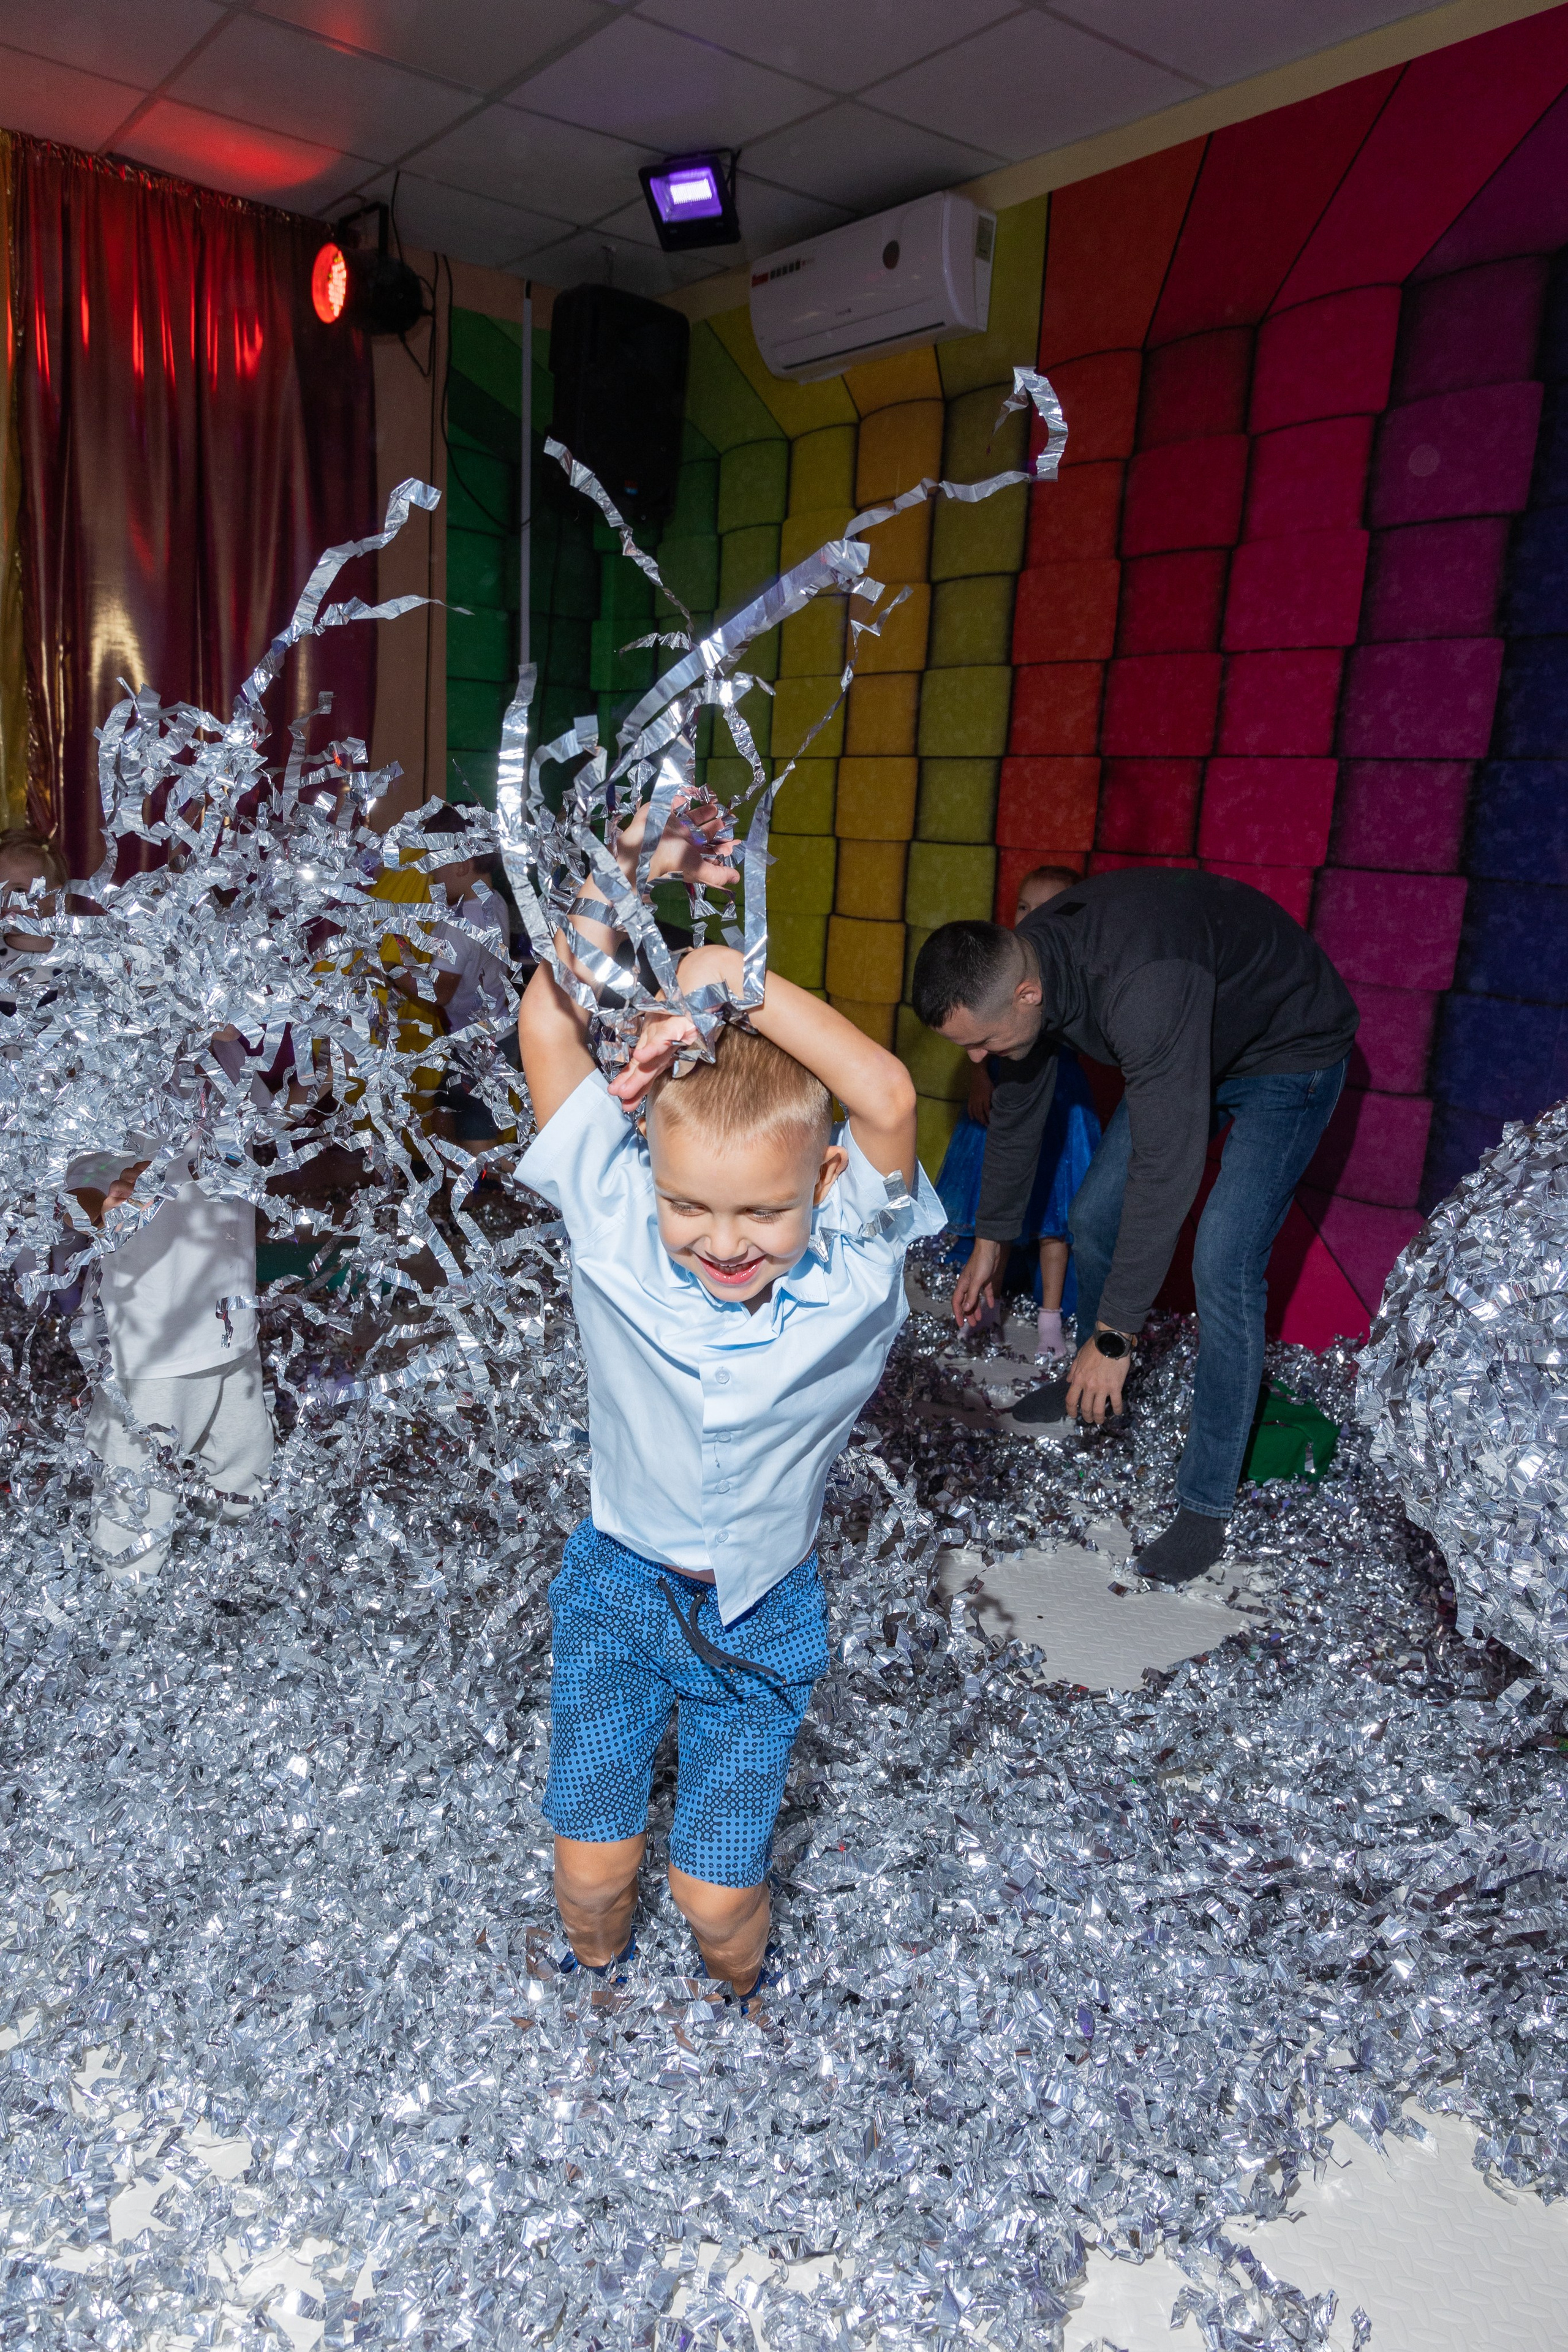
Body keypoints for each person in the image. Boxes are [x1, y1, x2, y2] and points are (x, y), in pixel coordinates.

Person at [516, 797, 944, 2002]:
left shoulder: (857, 1267)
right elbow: (551, 1022)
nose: (721, 1242)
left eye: (762, 1212)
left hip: (761, 1618)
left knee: (714, 1901)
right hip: (614, 1591)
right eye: (689, 1205)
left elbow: (887, 1100)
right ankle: (590, 1998)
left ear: (821, 1183)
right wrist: (626, 867)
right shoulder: (612, 1225)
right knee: (593, 1881)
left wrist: (730, 981)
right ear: (646, 1164)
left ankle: (735, 2010)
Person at [911, 869, 1358, 1585]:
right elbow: (1021, 1106)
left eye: (983, 1041)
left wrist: (1119, 1331)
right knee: (1092, 1213)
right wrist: (992, 1240)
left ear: (1027, 994)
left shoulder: (1140, 985)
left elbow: (1166, 1169)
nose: (974, 1059)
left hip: (1288, 1054)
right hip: (1193, 1039)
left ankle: (1205, 1504)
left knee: (1223, 1259)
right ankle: (1090, 1374)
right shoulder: (1029, 968)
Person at [933, 865, 1101, 1360]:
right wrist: (982, 1076)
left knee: (1058, 1214)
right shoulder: (997, 973)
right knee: (1001, 1207)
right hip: (1010, 1098)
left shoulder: (1078, 974)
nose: (1032, 919)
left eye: (1046, 910)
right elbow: (978, 1043)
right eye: (1024, 907)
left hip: (1062, 1107)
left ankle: (1051, 1316)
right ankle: (987, 1304)